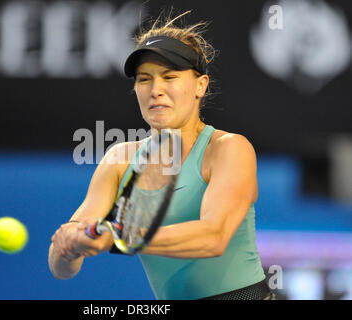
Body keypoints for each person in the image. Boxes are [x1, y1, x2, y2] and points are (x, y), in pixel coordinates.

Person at [49, 10, 275, 300]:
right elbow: (63, 268)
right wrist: (69, 246)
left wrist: (120, 237)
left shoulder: (229, 148)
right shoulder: (119, 159)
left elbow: (213, 237)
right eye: (144, 79)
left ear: (200, 85)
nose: (156, 90)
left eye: (169, 77)